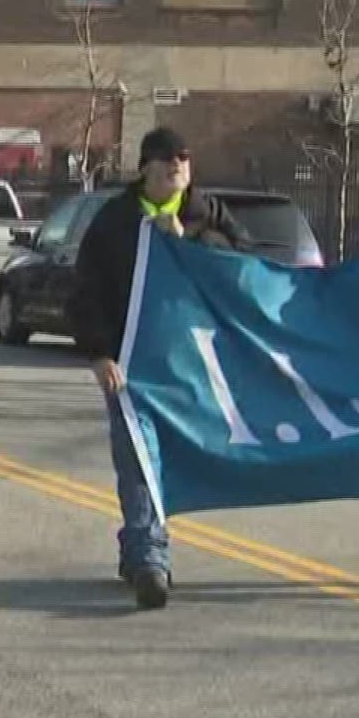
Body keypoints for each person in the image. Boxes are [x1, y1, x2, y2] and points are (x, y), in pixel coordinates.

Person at [70, 127, 249, 610]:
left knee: (179, 461)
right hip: (133, 367)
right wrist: (99, 353)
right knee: (137, 461)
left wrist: (190, 241)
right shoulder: (116, 223)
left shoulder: (207, 215)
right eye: (167, 158)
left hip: (193, 366)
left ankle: (136, 549)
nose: (177, 166)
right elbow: (87, 293)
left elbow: (246, 268)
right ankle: (152, 561)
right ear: (145, 168)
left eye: (185, 158)